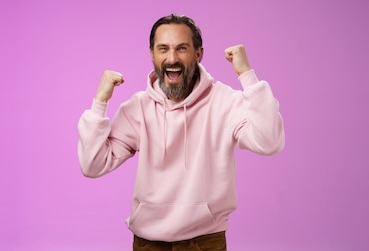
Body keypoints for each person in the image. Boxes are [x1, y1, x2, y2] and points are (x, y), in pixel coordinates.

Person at [77, 14, 285, 251]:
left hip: (205, 241)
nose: (172, 58)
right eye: (163, 48)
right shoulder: (137, 108)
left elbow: (270, 141)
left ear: (198, 54)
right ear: (152, 54)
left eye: (182, 48)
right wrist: (99, 103)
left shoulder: (225, 102)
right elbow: (92, 165)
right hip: (148, 243)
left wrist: (247, 75)